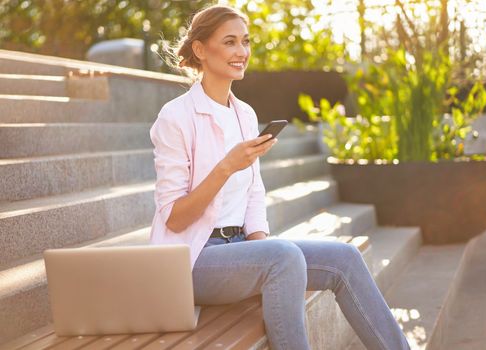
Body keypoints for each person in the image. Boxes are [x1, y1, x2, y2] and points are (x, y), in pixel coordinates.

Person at [149, 4, 410, 350]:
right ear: (200, 49)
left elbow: (254, 192)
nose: (242, 52)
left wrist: (259, 246)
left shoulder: (244, 113)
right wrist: (226, 167)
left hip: (239, 248)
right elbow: (175, 218)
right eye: (230, 42)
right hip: (193, 260)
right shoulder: (175, 117)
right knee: (284, 257)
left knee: (344, 259)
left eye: (245, 42)